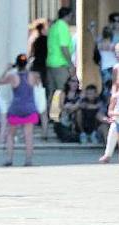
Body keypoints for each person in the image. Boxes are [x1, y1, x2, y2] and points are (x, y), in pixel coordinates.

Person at [0, 54, 41, 166]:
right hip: (29, 108)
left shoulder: (12, 76)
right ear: (26, 63)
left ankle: (9, 159)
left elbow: (0, 81)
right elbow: (38, 84)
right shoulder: (33, 76)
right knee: (28, 135)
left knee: (10, 135)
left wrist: (7, 69)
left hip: (16, 108)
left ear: (16, 64)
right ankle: (28, 160)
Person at [46, 7, 75, 139]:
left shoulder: (54, 26)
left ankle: (48, 117)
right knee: (62, 91)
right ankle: (57, 117)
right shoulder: (63, 26)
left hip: (50, 62)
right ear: (68, 16)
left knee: (51, 93)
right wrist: (70, 63)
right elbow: (64, 47)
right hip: (60, 64)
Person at [54, 76, 81, 143]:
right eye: (73, 81)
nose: (75, 83)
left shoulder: (80, 93)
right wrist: (68, 107)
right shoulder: (64, 93)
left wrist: (70, 107)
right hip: (65, 115)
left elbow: (79, 104)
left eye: (77, 82)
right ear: (69, 82)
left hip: (76, 116)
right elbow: (61, 106)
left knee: (78, 112)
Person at [96, 27, 117, 100]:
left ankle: (106, 103)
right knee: (114, 86)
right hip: (114, 66)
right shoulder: (113, 45)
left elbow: (95, 37)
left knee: (106, 86)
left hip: (104, 67)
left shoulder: (99, 44)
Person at [30, 22, 48, 89]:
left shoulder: (35, 40)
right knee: (44, 84)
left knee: (35, 85)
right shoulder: (47, 39)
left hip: (36, 63)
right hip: (44, 64)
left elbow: (32, 53)